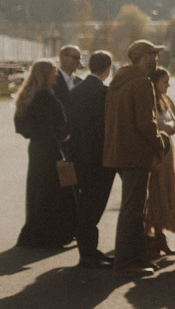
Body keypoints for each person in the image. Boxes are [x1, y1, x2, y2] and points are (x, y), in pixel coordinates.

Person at [102, 40, 170, 278]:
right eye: (154, 55)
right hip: (136, 154)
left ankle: (139, 257)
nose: (156, 59)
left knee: (135, 208)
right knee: (133, 209)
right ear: (144, 57)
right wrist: (160, 144)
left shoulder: (118, 81)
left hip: (119, 152)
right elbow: (146, 123)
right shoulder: (141, 83)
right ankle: (125, 262)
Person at [13, 59, 76, 250]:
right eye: (53, 72)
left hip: (37, 148)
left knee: (38, 190)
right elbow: (52, 127)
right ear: (45, 75)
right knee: (53, 192)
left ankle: (36, 232)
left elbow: (22, 127)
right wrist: (62, 141)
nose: (56, 75)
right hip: (51, 149)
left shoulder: (30, 95)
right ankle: (50, 235)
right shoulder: (46, 97)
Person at [66, 50, 115, 268]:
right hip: (99, 157)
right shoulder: (105, 93)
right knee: (94, 205)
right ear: (108, 68)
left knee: (84, 202)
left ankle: (88, 250)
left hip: (78, 154)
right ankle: (88, 253)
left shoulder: (75, 91)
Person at [144, 68, 175, 259]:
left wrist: (168, 127)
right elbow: (153, 126)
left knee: (165, 193)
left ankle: (160, 236)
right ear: (155, 83)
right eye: (165, 82)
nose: (168, 85)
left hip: (168, 155)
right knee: (154, 195)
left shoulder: (166, 101)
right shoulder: (149, 102)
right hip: (155, 155)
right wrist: (166, 127)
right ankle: (151, 238)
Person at [53, 45, 82, 109]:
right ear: (62, 57)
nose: (78, 62)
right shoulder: (52, 80)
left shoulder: (79, 82)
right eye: (74, 57)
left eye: (79, 58)